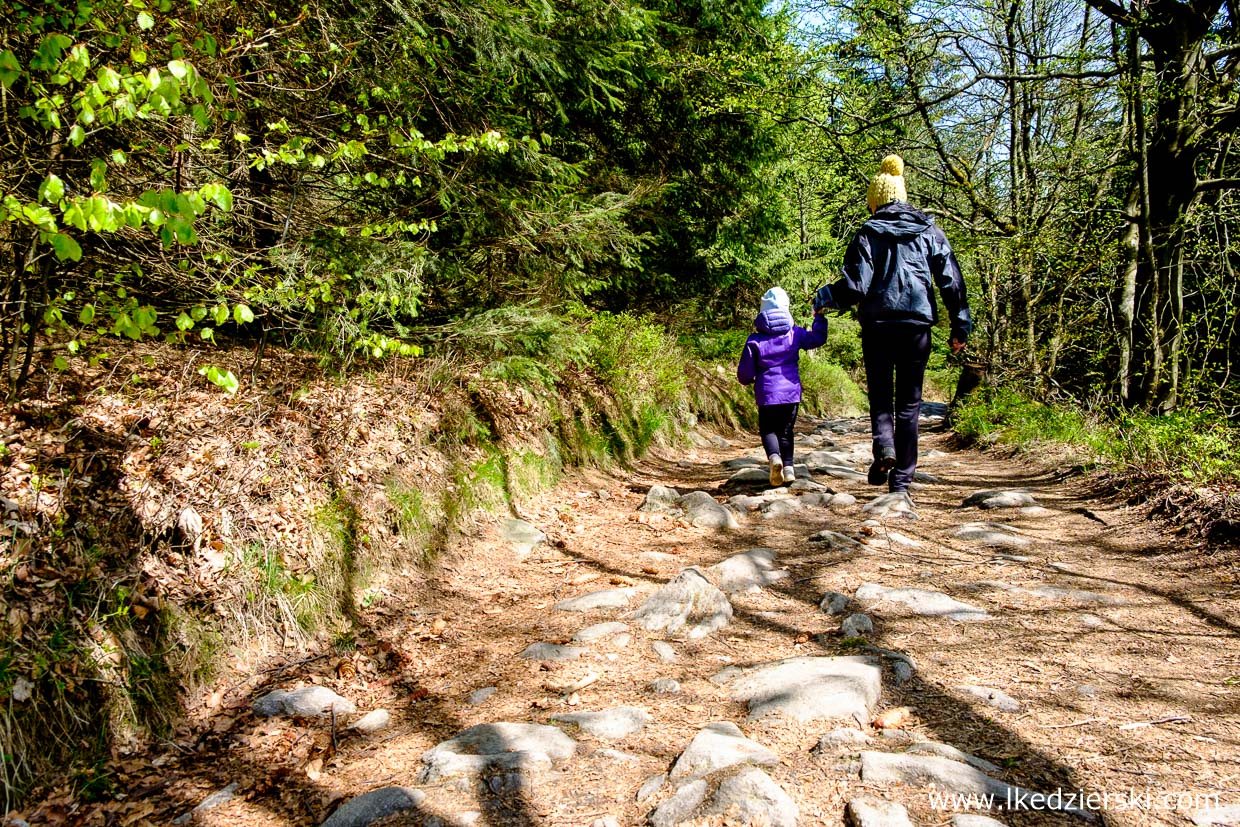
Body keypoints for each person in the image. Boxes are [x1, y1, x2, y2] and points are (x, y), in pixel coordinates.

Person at [814, 154, 970, 495]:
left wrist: (826, 296)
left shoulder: (867, 233)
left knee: (882, 397)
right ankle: (900, 483)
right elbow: (951, 281)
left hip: (878, 324)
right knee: (910, 405)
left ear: (875, 202)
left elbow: (855, 286)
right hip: (916, 326)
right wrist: (960, 325)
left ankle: (884, 447)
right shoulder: (930, 231)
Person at [737, 286, 829, 486]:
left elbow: (744, 373)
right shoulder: (795, 334)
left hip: (767, 393)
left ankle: (774, 458)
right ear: (786, 309)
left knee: (768, 430)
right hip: (790, 392)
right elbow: (818, 338)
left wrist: (750, 379)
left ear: (763, 311)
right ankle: (788, 469)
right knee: (786, 431)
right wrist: (819, 316)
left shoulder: (755, 340)